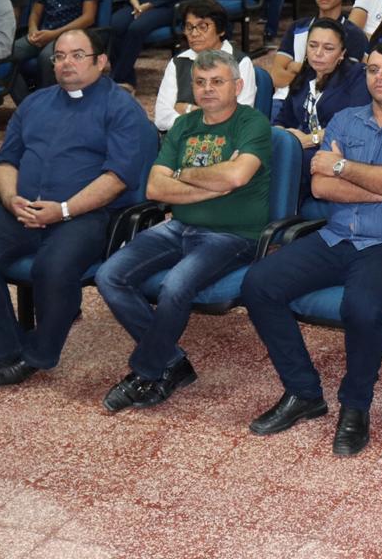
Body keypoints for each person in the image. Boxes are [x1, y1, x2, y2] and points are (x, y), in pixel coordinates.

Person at [240, 38, 382, 449]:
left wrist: (341, 166)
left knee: (363, 307)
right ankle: (303, 392)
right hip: (336, 235)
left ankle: (355, 405)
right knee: (259, 283)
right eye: (373, 69)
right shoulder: (344, 120)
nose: (380, 77)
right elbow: (322, 187)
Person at [0, 30, 152, 387]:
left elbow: (118, 178)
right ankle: (4, 350)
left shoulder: (121, 108)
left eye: (77, 55)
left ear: (101, 62)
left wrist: (64, 210)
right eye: (59, 56)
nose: (66, 63)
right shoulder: (35, 103)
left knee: (53, 267)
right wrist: (11, 198)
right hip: (23, 209)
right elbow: (6, 159)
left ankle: (38, 354)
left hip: (85, 215)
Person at [96, 49, 271, 413]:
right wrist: (214, 183)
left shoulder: (252, 123)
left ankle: (146, 371)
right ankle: (172, 361)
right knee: (109, 276)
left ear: (237, 86)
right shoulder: (183, 126)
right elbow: (155, 188)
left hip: (234, 234)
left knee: (174, 286)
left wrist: (183, 175)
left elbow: (237, 177)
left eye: (217, 82)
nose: (207, 89)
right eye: (200, 82)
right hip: (178, 226)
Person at [273, 17, 370, 197]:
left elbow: (353, 125)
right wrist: (280, 138)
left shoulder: (357, 76)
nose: (318, 53)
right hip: (301, 147)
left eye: (328, 48)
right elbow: (283, 118)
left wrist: (310, 139)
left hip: (335, 153)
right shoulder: (306, 74)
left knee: (285, 161)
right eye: (312, 45)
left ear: (342, 53)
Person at [271, 0, 368, 118]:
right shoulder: (297, 27)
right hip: (286, 98)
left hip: (329, 104)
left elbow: (341, 83)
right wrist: (312, 77)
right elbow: (276, 76)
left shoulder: (354, 34)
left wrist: (296, 67)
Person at [154, 0, 257, 131]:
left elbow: (239, 119)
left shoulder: (241, 62)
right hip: (181, 138)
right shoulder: (178, 62)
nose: (194, 34)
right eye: (189, 27)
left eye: (202, 27)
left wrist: (187, 109)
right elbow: (161, 119)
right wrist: (208, 118)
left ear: (221, 30)